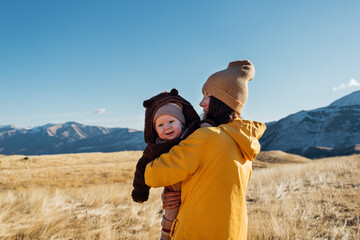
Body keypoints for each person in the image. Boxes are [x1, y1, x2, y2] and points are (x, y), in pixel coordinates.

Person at [145, 60, 266, 240]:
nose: (201, 103)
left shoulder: (207, 137)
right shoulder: (243, 142)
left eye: (207, 95)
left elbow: (153, 175)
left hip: (198, 233)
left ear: (222, 100)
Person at [131, 88, 200, 240]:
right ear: (154, 130)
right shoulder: (156, 147)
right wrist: (140, 191)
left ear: (181, 122)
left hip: (196, 191)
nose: (166, 127)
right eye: (160, 125)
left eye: (171, 121)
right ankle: (166, 235)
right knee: (171, 212)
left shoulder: (193, 136)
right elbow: (142, 167)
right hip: (173, 191)